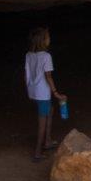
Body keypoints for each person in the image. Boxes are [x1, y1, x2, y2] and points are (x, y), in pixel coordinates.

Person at [26, 26, 67, 161]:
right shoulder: (46, 56)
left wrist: (29, 89)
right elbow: (48, 76)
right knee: (42, 122)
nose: (50, 39)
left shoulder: (29, 55)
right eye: (48, 36)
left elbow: (26, 73)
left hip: (33, 91)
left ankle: (48, 141)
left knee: (50, 110)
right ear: (43, 40)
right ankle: (37, 153)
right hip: (43, 93)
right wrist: (56, 93)